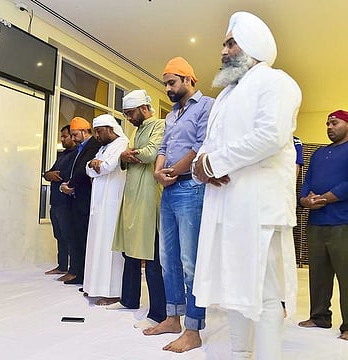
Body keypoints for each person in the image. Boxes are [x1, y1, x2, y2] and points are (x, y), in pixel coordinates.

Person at [192, 11, 301, 359]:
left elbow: (271, 135)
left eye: (231, 43)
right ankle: (239, 354)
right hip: (227, 207)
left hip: (259, 208)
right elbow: (207, 150)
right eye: (224, 43)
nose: (223, 50)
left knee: (266, 295)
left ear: (252, 46)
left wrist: (215, 162)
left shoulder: (277, 82)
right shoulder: (225, 97)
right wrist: (200, 167)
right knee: (234, 289)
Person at [143, 57, 214, 353]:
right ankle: (173, 317)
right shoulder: (171, 115)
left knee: (190, 261)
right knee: (166, 257)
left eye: (172, 82)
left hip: (190, 188)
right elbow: (163, 148)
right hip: (169, 190)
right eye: (165, 83)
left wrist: (174, 172)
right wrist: (160, 171)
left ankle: (193, 329)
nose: (168, 88)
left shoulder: (207, 106)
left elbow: (201, 145)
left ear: (188, 80)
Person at [108, 90, 167, 329]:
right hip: (132, 196)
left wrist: (129, 155)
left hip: (149, 197)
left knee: (152, 257)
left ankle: (158, 313)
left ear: (144, 108)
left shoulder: (160, 125)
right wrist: (125, 155)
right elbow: (126, 159)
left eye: (131, 113)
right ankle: (129, 299)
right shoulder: (136, 130)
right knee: (128, 252)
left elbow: (151, 153)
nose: (129, 118)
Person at [298, 110, 348, 341]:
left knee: (345, 275)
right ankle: (319, 317)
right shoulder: (318, 153)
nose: (329, 127)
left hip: (342, 222)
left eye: (334, 123)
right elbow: (307, 180)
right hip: (316, 221)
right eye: (327, 123)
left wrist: (326, 197)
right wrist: (305, 200)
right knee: (318, 273)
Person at [82, 114, 128, 305]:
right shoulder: (103, 148)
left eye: (99, 132)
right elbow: (89, 169)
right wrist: (94, 165)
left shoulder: (122, 143)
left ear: (110, 129)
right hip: (99, 203)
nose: (96, 136)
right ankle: (94, 287)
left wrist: (98, 166)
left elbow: (108, 166)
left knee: (110, 247)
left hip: (112, 203)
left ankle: (113, 291)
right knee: (96, 243)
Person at [60, 117, 101, 285]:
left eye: (75, 134)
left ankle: (84, 276)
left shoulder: (93, 146)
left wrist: (70, 185)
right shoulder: (79, 148)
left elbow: (84, 169)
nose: (73, 137)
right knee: (76, 237)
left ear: (85, 132)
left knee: (84, 238)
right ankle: (78, 273)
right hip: (77, 200)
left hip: (85, 198)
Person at [43, 125, 77, 277]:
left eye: (65, 136)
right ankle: (62, 265)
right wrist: (48, 175)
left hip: (66, 202)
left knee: (68, 235)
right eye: (61, 137)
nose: (62, 140)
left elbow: (66, 174)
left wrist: (53, 175)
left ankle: (73, 268)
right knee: (59, 235)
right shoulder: (62, 155)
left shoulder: (76, 154)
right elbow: (49, 173)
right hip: (55, 202)